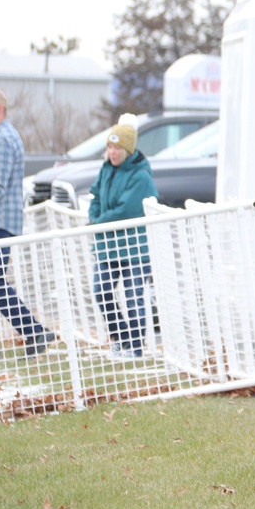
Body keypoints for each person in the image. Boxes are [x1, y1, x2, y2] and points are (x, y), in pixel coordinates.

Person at [88, 116, 159, 359]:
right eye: (110, 147)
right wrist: (94, 214)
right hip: (108, 245)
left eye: (117, 148)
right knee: (101, 289)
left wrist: (98, 221)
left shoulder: (141, 176)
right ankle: (121, 337)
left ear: (127, 150)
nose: (112, 152)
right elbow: (95, 196)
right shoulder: (107, 168)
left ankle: (136, 347)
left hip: (134, 247)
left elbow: (126, 209)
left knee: (133, 296)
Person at [0, 88, 56, 358]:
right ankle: (34, 332)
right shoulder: (6, 136)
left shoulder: (2, 139)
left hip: (1, 223)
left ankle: (35, 331)